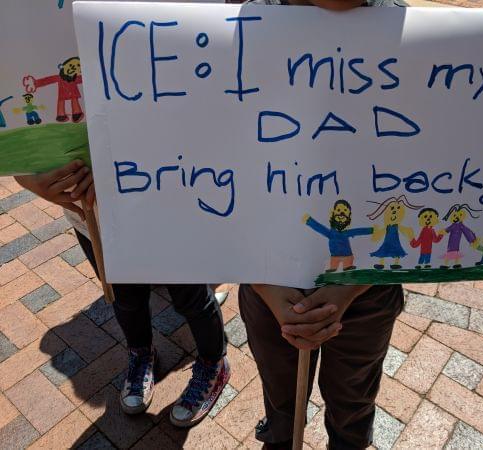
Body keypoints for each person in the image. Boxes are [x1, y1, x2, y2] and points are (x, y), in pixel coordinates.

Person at [239, 2, 407, 449]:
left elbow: (416, 183)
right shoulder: (243, 28)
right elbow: (215, 171)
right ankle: (280, 435)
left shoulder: (408, 37)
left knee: (352, 405)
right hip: (267, 281)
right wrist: (262, 286)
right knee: (280, 402)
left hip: (368, 290)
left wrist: (348, 289)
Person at [15, 161, 230, 428]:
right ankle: (142, 354)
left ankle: (214, 364)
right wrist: (26, 179)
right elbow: (12, 140)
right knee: (126, 300)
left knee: (191, 297)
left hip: (164, 207)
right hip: (92, 217)